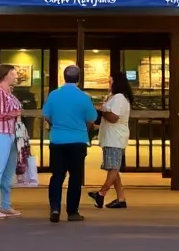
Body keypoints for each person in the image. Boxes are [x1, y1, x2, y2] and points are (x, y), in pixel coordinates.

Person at [42, 65, 97, 223]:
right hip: (78, 140)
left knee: (57, 176)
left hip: (58, 139)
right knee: (75, 176)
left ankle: (55, 208)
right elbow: (91, 119)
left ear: (63, 77)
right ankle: (72, 212)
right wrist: (83, 130)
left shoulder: (54, 95)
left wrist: (56, 125)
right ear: (78, 78)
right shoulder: (84, 97)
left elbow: (46, 116)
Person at [88, 71, 132, 210]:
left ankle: (101, 193)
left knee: (113, 168)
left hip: (115, 138)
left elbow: (114, 117)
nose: (108, 84)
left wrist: (101, 111)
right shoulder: (115, 97)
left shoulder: (119, 98)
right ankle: (121, 198)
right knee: (114, 168)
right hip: (111, 137)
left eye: (110, 81)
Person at [0, 64, 23, 219]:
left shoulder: (8, 92)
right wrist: (14, 113)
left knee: (8, 173)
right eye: (13, 74)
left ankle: (5, 205)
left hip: (11, 134)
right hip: (0, 133)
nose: (16, 76)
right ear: (5, 75)